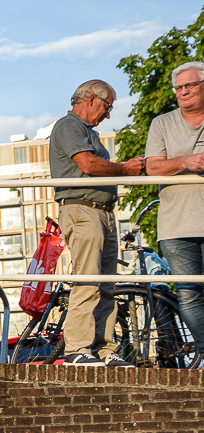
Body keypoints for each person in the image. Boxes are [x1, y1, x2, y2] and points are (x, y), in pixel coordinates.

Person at [50, 79, 144, 367]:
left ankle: (104, 349)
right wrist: (126, 168)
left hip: (101, 211)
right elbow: (88, 165)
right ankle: (77, 349)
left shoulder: (87, 131)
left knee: (105, 285)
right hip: (82, 210)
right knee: (88, 279)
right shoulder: (69, 126)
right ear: (91, 99)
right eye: (107, 106)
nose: (108, 113)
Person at [147, 62, 204, 359]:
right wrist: (187, 162)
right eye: (179, 87)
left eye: (190, 85)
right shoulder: (162, 123)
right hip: (177, 225)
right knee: (189, 292)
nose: (183, 91)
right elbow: (151, 167)